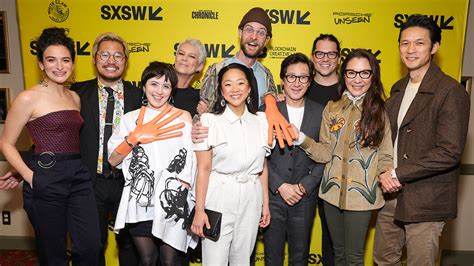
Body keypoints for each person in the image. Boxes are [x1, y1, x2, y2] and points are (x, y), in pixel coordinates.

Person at [374, 14, 470, 266]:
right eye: (404, 43)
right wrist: (385, 172)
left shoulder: (451, 91)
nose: (410, 50)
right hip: (389, 196)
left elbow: (449, 151)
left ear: (434, 47)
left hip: (426, 198)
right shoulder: (397, 89)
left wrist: (398, 174)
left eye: (419, 43)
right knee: (383, 260)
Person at [0, 27, 100, 265]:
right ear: (41, 64)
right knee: (53, 254)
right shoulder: (28, 97)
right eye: (51, 60)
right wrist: (28, 175)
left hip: (78, 175)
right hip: (45, 177)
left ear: (73, 63)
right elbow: (6, 142)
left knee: (91, 247)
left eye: (65, 60)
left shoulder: (74, 97)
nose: (59, 66)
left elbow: (65, 138)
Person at [292, 49, 393, 265]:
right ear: (343, 74)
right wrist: (302, 139)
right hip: (331, 193)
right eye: (351, 73)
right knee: (338, 254)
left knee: (354, 258)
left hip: (362, 197)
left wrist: (386, 174)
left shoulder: (380, 110)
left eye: (364, 73)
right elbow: (325, 152)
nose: (357, 79)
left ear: (373, 76)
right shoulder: (333, 107)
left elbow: (385, 154)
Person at [108, 61, 197, 266]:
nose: (159, 91)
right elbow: (113, 160)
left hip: (172, 199)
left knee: (170, 261)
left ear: (172, 90)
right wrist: (133, 138)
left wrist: (183, 188)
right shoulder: (130, 119)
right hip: (141, 201)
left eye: (166, 86)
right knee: (147, 260)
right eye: (154, 84)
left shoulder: (183, 116)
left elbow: (191, 158)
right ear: (144, 86)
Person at [70, 32, 141, 266]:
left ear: (126, 61)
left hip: (128, 182)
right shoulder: (76, 93)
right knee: (91, 245)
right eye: (105, 55)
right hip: (91, 181)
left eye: (118, 56)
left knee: (130, 245)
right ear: (94, 58)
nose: (111, 61)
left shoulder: (139, 95)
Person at [191, 63, 271, 265]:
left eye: (240, 83)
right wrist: (199, 211)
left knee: (242, 259)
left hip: (252, 197)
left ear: (250, 87)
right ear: (221, 90)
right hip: (218, 196)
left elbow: (263, 168)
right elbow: (203, 168)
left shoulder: (262, 121)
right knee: (214, 260)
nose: (235, 89)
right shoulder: (209, 121)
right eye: (228, 84)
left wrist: (265, 204)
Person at [193, 7, 293, 151]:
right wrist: (198, 130)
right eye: (249, 30)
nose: (254, 37)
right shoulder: (217, 70)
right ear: (240, 33)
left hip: (254, 149)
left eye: (261, 33)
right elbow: (203, 114)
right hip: (221, 149)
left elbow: (268, 112)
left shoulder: (266, 75)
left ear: (267, 40)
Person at [263, 53, 324, 265]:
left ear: (309, 81)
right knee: (272, 257)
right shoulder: (267, 113)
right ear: (282, 79)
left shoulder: (321, 112)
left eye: (303, 77)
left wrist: (304, 186)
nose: (297, 83)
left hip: (304, 198)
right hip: (272, 197)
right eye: (291, 77)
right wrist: (279, 185)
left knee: (300, 257)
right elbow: (258, 157)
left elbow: (326, 154)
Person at [307, 33, 342, 266]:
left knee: (334, 244)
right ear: (313, 57)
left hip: (338, 178)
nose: (325, 59)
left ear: (339, 58)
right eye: (320, 53)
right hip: (305, 177)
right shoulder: (300, 86)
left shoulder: (351, 87)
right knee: (297, 238)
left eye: (331, 54)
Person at [173, 38, 206, 118]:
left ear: (199, 66)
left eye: (191, 56)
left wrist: (205, 116)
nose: (184, 58)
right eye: (181, 54)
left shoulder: (200, 100)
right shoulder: (156, 90)